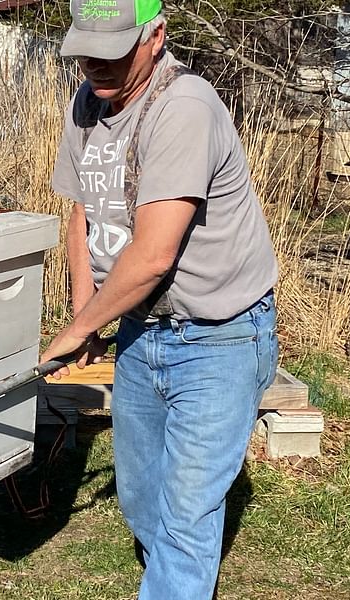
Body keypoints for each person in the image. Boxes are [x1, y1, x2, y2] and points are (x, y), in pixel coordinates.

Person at [41, 0, 279, 598]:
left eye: (114, 49)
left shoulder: (185, 106)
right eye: (86, 49)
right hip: (140, 329)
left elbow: (151, 257)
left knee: (187, 518)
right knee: (142, 497)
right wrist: (86, 315)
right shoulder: (87, 104)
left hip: (218, 336)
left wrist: (74, 333)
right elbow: (81, 215)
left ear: (156, 37)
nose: (96, 64)